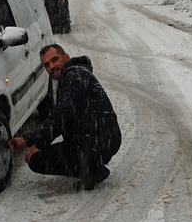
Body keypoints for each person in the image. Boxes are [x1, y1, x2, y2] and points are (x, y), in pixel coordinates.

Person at [8, 44, 121, 190]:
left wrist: (30, 140)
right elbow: (63, 119)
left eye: (55, 60)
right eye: (47, 65)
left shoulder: (74, 76)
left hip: (96, 142)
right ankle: (92, 167)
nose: (52, 66)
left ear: (66, 57)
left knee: (36, 160)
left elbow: (61, 116)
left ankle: (92, 169)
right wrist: (32, 138)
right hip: (100, 140)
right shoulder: (75, 75)